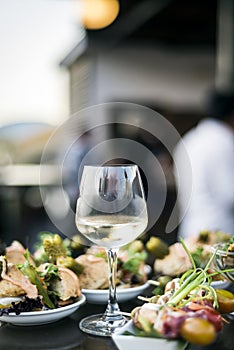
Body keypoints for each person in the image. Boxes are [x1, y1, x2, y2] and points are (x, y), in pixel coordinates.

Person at [173, 89, 234, 238]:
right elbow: (229, 194)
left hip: (191, 227)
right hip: (219, 231)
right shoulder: (223, 140)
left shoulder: (191, 137)